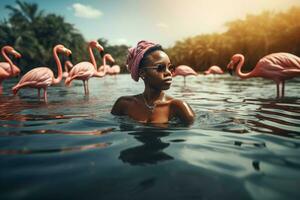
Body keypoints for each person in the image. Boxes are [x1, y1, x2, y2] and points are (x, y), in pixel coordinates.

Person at [111, 40, 195, 124]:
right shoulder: (124, 104)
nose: (168, 72)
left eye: (170, 67)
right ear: (142, 73)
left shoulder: (178, 107)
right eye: (160, 67)